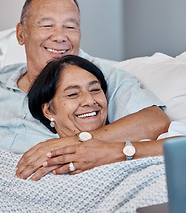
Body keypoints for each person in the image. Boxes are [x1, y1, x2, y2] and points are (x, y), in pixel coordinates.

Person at [0, 0, 170, 177]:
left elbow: (154, 120)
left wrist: (77, 140)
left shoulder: (98, 78)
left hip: (37, 193)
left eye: (70, 26)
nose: (60, 36)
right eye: (47, 25)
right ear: (21, 34)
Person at [23, 55, 171, 180]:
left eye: (95, 90)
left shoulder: (140, 143)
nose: (89, 101)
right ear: (48, 110)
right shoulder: (36, 161)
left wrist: (116, 152)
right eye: (73, 94)